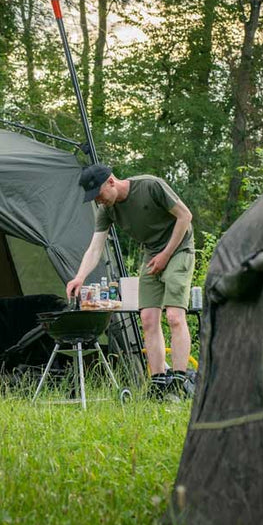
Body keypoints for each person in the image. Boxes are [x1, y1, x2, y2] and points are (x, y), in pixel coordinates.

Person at [65, 164, 196, 398]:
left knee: (175, 316)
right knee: (147, 318)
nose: (98, 201)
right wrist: (79, 277)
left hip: (178, 249)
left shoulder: (150, 186)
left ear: (111, 182)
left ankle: (179, 378)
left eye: (99, 195)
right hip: (153, 255)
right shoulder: (107, 210)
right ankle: (157, 382)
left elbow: (185, 216)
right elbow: (95, 248)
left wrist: (166, 255)